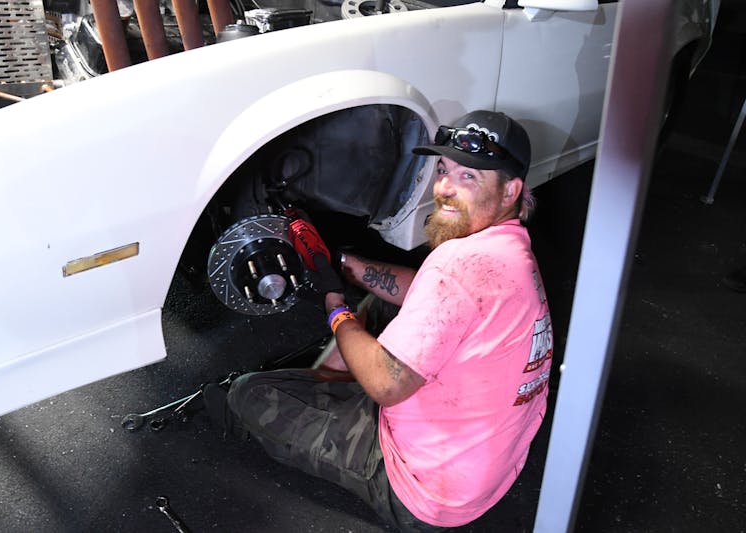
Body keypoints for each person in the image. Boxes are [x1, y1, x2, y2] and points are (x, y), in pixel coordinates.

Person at [206, 110, 554, 531]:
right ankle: (337, 383)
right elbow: (420, 290)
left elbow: (387, 386)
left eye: (469, 177)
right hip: (483, 469)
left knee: (249, 393)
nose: (445, 188)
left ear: (510, 190)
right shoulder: (509, 251)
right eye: (443, 170)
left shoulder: (459, 266)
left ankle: (300, 401)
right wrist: (342, 262)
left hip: (423, 490)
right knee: (385, 306)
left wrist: (336, 306)